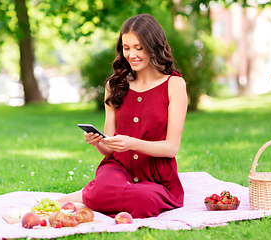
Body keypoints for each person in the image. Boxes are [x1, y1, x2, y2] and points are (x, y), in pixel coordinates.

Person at [58, 13, 188, 218]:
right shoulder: (114, 85)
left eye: (139, 47)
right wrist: (97, 142)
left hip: (156, 177)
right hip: (118, 168)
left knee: (145, 199)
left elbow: (171, 148)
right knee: (104, 187)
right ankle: (95, 193)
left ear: (154, 46)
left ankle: (87, 196)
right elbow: (109, 150)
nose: (131, 55)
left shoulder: (174, 85)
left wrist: (132, 143)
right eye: (126, 48)